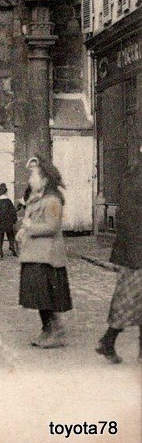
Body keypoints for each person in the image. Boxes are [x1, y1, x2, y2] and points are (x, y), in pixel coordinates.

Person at [16, 155, 72, 348]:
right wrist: (23, 230)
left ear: (45, 179)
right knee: (38, 296)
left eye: (34, 176)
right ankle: (48, 330)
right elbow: (29, 220)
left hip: (47, 258)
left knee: (44, 297)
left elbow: (52, 227)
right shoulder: (35, 198)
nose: (30, 180)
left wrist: (30, 227)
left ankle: (55, 330)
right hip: (34, 255)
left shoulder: (53, 200)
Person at [96, 146, 141, 364]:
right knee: (128, 299)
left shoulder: (131, 174)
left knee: (130, 299)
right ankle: (108, 341)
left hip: (130, 250)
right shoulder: (137, 177)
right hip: (136, 253)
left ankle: (109, 342)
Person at [0, 183, 18, 258]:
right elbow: (12, 212)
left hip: (0, 223)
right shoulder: (8, 201)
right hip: (8, 223)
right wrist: (14, 220)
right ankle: (12, 246)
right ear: (5, 192)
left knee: (0, 236)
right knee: (11, 234)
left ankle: (0, 252)